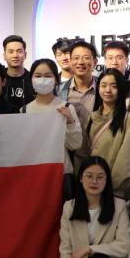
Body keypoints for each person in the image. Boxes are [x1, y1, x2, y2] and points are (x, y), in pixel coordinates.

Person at [22, 58, 82, 199]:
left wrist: (70, 121)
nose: (43, 80)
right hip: (34, 174)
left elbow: (75, 145)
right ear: (31, 80)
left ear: (56, 80)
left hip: (61, 174)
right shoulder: (24, 111)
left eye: (48, 76)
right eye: (38, 76)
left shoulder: (66, 108)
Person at [83, 68, 130, 199]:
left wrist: (115, 187)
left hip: (114, 190)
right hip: (90, 185)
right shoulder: (92, 117)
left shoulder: (127, 119)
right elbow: (83, 153)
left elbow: (127, 159)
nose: (108, 90)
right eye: (103, 85)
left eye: (114, 86)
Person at [57, 41, 98, 127]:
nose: (80, 62)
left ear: (95, 62)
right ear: (70, 61)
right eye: (76, 58)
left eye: (86, 58)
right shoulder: (59, 91)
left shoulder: (104, 89)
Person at [1, 34, 35, 108]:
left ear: (25, 55)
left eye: (19, 51)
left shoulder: (33, 80)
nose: (15, 55)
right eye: (11, 52)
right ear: (4, 56)